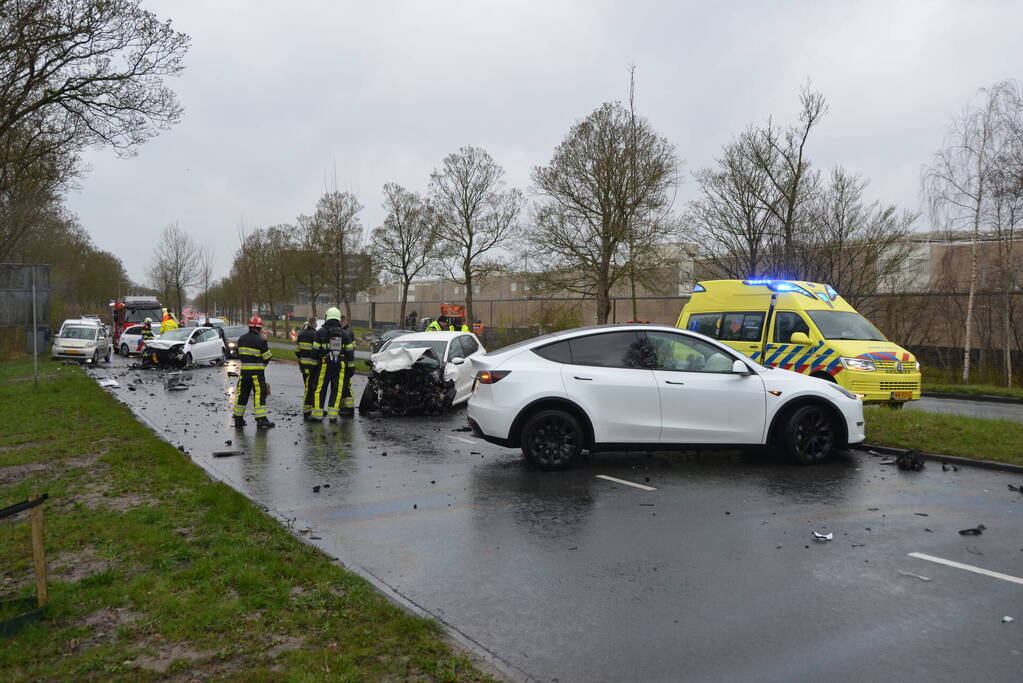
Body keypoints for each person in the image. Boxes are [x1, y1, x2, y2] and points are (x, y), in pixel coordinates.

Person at [233, 316, 275, 429]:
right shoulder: (261, 340)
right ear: (259, 327)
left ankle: (238, 419)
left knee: (242, 395)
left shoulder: (241, 339)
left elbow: (238, 354)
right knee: (259, 395)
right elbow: (267, 357)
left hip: (244, 373)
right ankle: (261, 420)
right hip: (257, 373)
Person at [310, 307, 347, 422]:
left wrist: (313, 367)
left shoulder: (320, 332)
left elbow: (315, 351)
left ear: (327, 317)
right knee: (337, 390)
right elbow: (349, 352)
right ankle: (333, 416)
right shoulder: (344, 333)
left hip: (324, 364)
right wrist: (350, 367)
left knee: (320, 389)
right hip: (339, 365)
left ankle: (317, 415)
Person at [296, 316, 319, 420]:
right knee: (311, 388)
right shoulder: (315, 335)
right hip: (312, 367)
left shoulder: (301, 335)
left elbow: (297, 351)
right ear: (314, 323)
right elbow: (317, 352)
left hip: (303, 366)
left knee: (308, 387)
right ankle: (307, 411)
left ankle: (311, 409)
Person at [339, 316, 356, 416]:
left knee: (346, 386)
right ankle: (344, 406)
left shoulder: (347, 333)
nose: (341, 323)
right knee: (343, 385)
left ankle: (349, 408)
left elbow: (350, 350)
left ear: (345, 322)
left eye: (342, 322)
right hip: (346, 361)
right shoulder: (349, 331)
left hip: (345, 362)